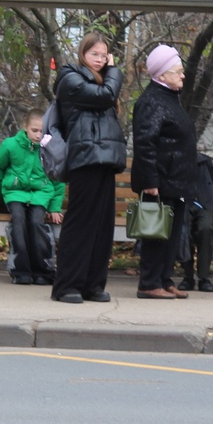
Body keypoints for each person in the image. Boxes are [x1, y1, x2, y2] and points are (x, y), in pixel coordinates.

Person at [50, 32, 126, 304]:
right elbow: (105, 96)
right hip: (84, 158)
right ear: (83, 54)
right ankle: (67, 285)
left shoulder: (102, 80)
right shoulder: (69, 78)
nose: (100, 59)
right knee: (80, 223)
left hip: (105, 158)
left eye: (104, 55)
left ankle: (93, 284)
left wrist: (109, 73)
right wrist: (114, 70)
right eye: (94, 54)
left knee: (102, 226)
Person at [130, 44, 198, 299]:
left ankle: (165, 279)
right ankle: (149, 283)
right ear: (161, 75)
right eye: (178, 71)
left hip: (176, 180)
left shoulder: (168, 97)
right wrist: (150, 180)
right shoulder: (151, 100)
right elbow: (144, 142)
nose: (183, 75)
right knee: (155, 234)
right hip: (160, 180)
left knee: (171, 233)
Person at [0, 108, 65, 285]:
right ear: (25, 128)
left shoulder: (50, 147)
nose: (38, 135)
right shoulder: (10, 145)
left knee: (37, 222)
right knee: (18, 220)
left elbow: (58, 179)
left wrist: (54, 207)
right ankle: (20, 270)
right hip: (15, 192)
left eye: (42, 131)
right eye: (34, 130)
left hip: (41, 193)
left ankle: (43, 270)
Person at [180, 153, 213, 292]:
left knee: (206, 228)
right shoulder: (174, 159)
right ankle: (188, 277)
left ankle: (204, 278)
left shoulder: (204, 162)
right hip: (182, 205)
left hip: (205, 207)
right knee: (183, 229)